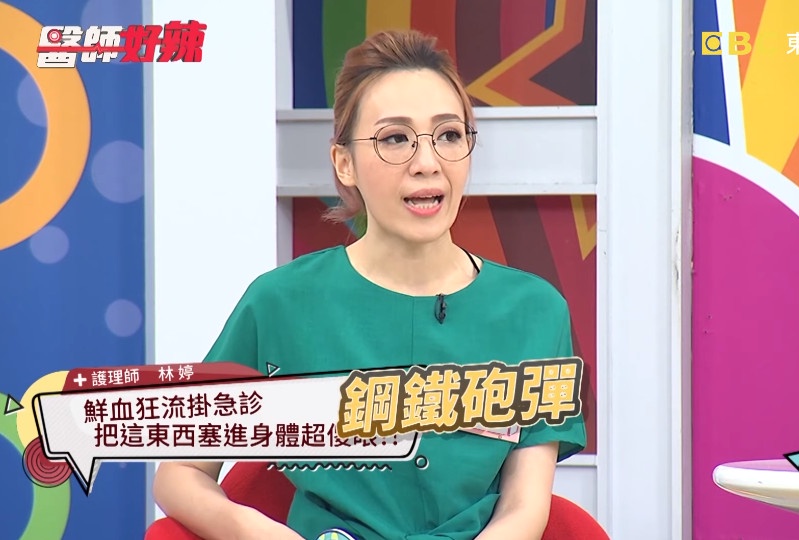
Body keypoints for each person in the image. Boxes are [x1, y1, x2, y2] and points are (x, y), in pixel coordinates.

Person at [152, 29, 586, 540]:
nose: (427, 164)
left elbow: (524, 507)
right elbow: (179, 474)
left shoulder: (534, 311)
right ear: (345, 163)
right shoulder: (281, 303)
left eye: (449, 135)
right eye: (395, 139)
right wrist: (261, 532)